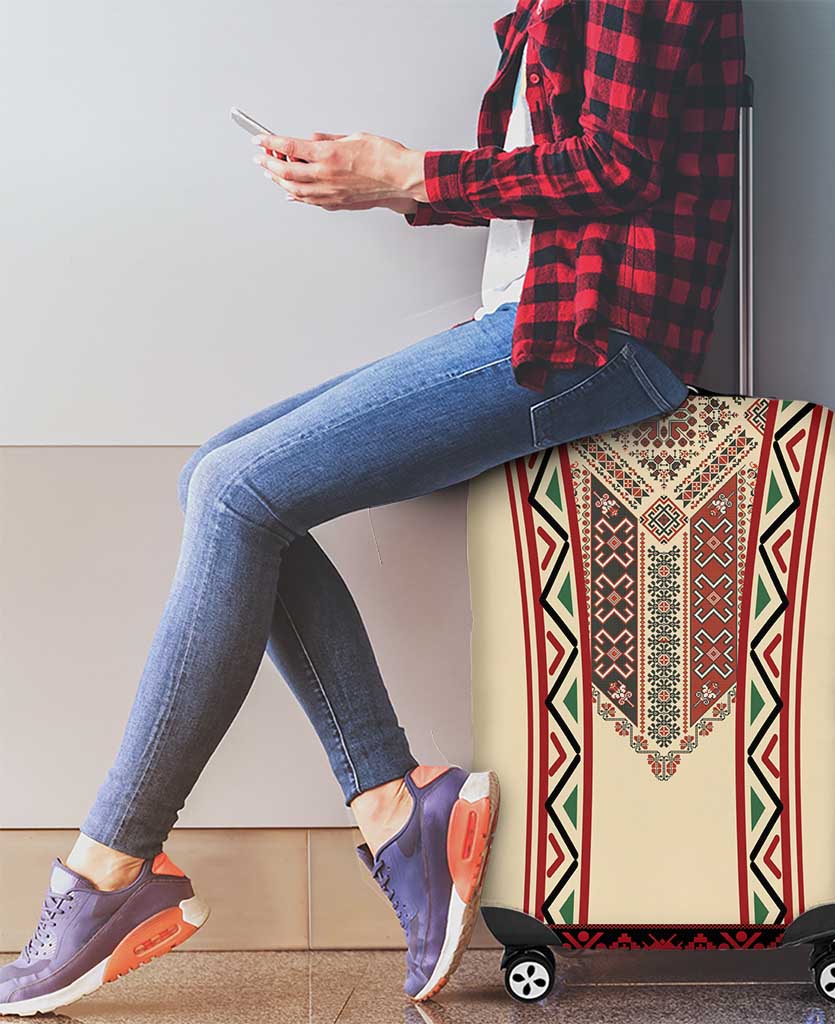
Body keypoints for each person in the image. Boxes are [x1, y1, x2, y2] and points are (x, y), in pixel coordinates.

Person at [0, 0, 744, 1014]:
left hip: (593, 333)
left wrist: (406, 175)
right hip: (542, 314)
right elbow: (566, 164)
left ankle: (108, 872)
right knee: (221, 479)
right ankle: (397, 809)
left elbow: (614, 163)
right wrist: (381, 185)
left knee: (231, 489)